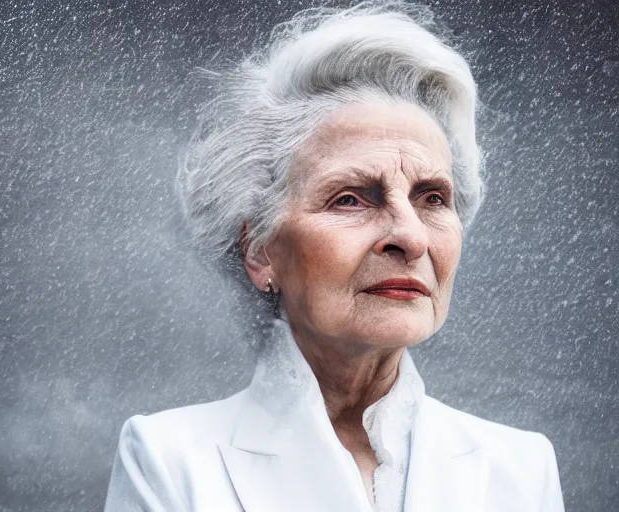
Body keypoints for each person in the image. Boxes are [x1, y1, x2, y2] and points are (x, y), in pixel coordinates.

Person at [104, 2, 566, 511]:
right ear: (260, 252)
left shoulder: (521, 469)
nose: (411, 238)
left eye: (432, 198)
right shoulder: (171, 461)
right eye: (350, 198)